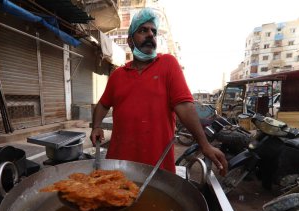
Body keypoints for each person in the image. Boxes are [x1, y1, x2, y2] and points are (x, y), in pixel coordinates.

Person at [90, 8, 227, 175]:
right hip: (119, 163)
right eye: (143, 30)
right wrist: (96, 126)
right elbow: (103, 105)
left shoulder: (168, 64)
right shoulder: (118, 75)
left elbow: (184, 106)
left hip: (156, 167)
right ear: (130, 41)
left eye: (153, 32)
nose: (150, 35)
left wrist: (204, 145)